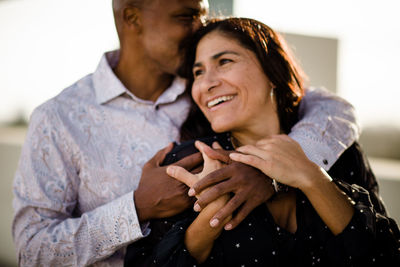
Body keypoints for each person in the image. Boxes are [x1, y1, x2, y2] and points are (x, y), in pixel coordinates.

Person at [12, 1, 360, 266]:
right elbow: (33, 249)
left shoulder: (218, 92)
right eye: (186, 16)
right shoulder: (58, 118)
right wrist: (137, 208)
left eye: (203, 13)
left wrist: (270, 174)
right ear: (133, 18)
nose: (201, 26)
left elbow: (334, 110)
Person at [124, 18, 400, 266]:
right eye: (198, 72)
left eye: (224, 62)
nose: (206, 84)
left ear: (272, 70)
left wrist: (313, 179)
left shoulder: (338, 151)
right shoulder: (190, 164)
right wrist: (212, 216)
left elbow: (384, 255)